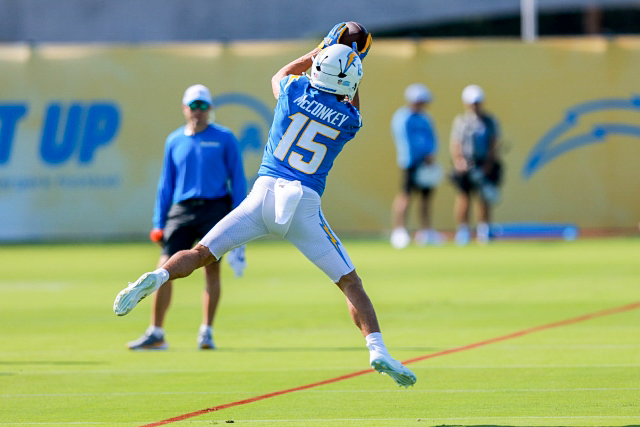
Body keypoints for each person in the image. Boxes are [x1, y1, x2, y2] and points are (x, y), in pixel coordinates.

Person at [114, 27, 416, 387]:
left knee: (198, 255)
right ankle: (377, 349)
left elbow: (281, 74)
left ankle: (160, 275)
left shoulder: (294, 90)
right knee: (350, 283)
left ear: (317, 69)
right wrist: (352, 63)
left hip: (262, 195)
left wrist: (320, 49)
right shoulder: (348, 119)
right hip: (302, 203)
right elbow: (352, 101)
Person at [126, 84, 247, 350]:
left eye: (203, 106)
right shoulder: (175, 140)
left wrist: (241, 219)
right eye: (194, 106)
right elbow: (165, 184)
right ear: (184, 108)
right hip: (181, 210)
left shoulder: (225, 138)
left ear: (210, 108)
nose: (198, 111)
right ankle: (156, 332)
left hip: (215, 208)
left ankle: (207, 331)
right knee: (163, 269)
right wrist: (159, 222)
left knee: (211, 269)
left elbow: (237, 180)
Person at [390, 83, 443, 249]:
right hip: (411, 163)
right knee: (405, 196)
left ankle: (425, 232)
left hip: (426, 164)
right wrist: (420, 157)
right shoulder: (403, 117)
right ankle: (399, 232)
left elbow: (432, 138)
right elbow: (406, 141)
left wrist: (431, 155)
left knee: (426, 199)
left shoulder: (425, 118)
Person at [449, 84, 502, 245]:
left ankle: (484, 230)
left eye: (477, 102)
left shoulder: (489, 121)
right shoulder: (461, 121)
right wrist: (459, 161)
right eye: (472, 103)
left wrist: (488, 164)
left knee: (483, 197)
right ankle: (463, 231)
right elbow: (455, 143)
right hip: (465, 165)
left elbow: (494, 143)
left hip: (483, 164)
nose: (475, 106)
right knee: (463, 197)